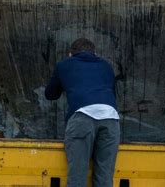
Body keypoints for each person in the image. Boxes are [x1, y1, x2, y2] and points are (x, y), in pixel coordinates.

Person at [45, 38, 120, 187]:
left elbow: (50, 94)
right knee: (105, 177)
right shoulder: (106, 66)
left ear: (70, 54)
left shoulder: (64, 65)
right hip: (111, 119)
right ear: (95, 53)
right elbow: (112, 93)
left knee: (77, 177)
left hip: (82, 117)